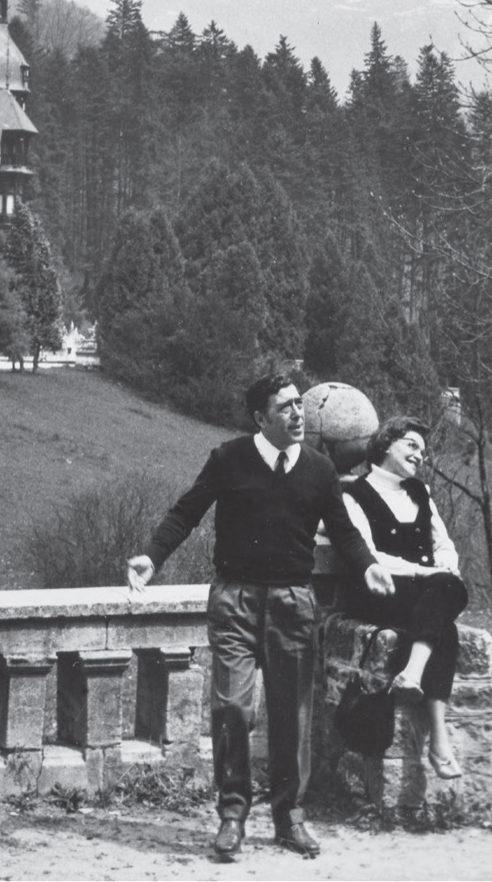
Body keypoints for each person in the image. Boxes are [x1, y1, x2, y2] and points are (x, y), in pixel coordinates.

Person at [126, 367, 394, 863]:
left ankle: (289, 817)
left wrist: (369, 565)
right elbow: (187, 511)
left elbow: (342, 529)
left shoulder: (318, 468)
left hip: (293, 602)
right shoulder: (228, 459)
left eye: (299, 404)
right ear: (260, 418)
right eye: (286, 407)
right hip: (235, 600)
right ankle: (232, 816)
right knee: (232, 708)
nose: (299, 414)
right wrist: (153, 555)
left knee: (292, 715)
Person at [341, 416, 467, 779]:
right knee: (442, 609)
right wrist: (429, 573)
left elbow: (444, 545)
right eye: (412, 445)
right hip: (381, 590)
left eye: (424, 451)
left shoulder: (421, 493)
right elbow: (368, 554)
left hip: (426, 594)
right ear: (385, 445)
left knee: (443, 607)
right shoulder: (355, 494)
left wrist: (444, 569)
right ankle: (439, 741)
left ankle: (414, 678)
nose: (420, 455)